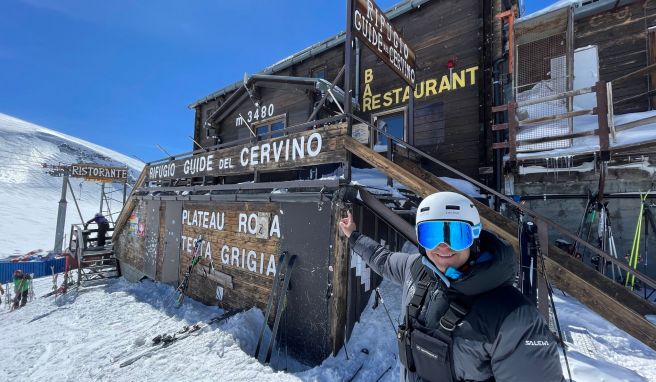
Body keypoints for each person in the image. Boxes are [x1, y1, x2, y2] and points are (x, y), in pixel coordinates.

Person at [339, 191, 564, 382]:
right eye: (432, 235)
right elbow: (383, 259)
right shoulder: (416, 270)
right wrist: (353, 236)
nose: (443, 247)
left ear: (474, 238)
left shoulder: (514, 318)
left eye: (455, 235)